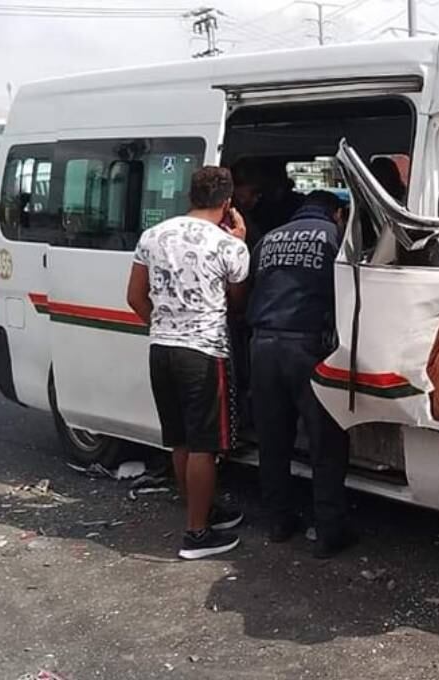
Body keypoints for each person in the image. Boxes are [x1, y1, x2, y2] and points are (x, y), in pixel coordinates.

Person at [126, 166, 250, 560]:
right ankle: (197, 534)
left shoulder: (153, 235)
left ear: (189, 195)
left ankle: (199, 511)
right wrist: (241, 240)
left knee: (179, 439)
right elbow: (238, 301)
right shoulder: (228, 245)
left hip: (161, 348)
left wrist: (164, 324)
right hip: (203, 351)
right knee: (205, 445)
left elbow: (134, 297)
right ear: (228, 203)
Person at [246, 190, 354, 559]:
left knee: (273, 439)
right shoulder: (336, 239)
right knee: (326, 441)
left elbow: (249, 288)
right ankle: (329, 531)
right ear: (338, 213)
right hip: (309, 348)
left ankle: (278, 521)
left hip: (262, 345)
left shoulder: (268, 239)